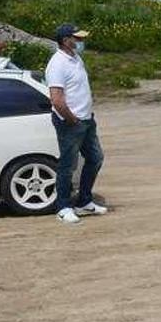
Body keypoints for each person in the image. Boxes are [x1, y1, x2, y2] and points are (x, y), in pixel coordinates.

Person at [44, 24, 107, 225]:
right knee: (68, 164)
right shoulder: (57, 64)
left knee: (96, 158)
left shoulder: (75, 58)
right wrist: (71, 119)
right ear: (65, 40)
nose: (81, 42)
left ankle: (84, 201)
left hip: (87, 119)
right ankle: (63, 207)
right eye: (77, 38)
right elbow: (56, 99)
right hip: (71, 122)